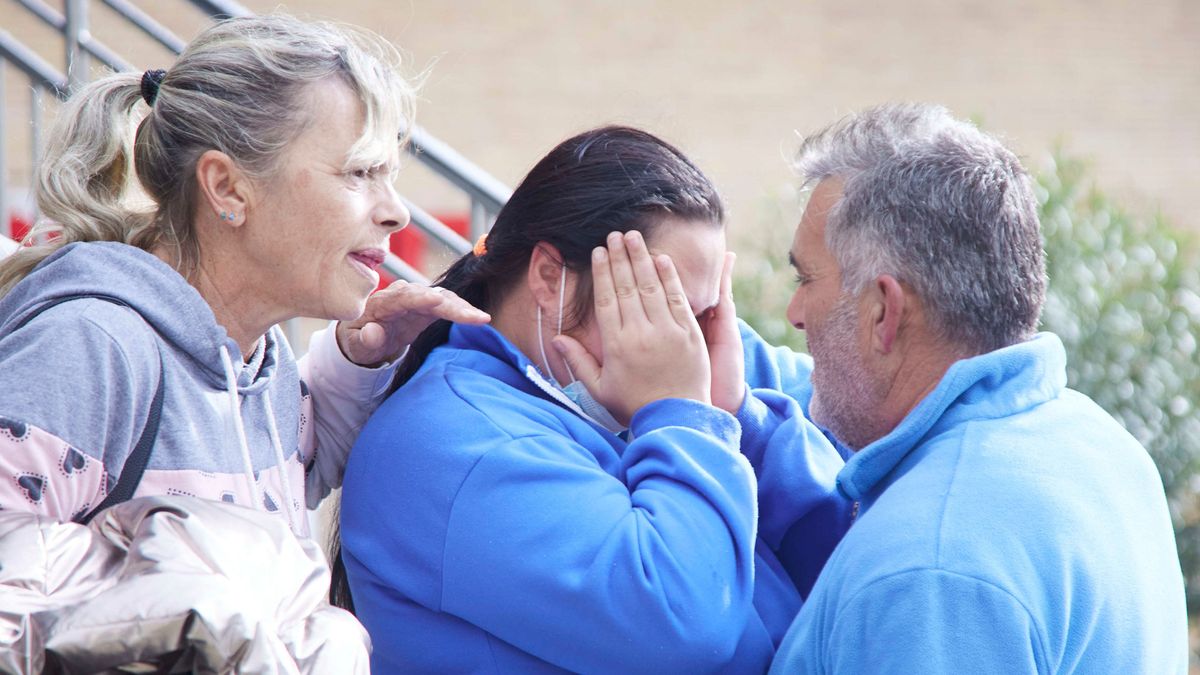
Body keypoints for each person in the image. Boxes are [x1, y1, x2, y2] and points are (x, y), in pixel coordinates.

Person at [0, 14, 486, 668]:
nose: (395, 209)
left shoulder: (256, 358)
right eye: (359, 173)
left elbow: (274, 472)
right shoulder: (90, 344)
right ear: (227, 187)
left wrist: (358, 357)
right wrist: (200, 604)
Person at [339, 126, 851, 674]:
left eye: (700, 315)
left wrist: (740, 416)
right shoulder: (447, 445)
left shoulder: (688, 369)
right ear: (548, 276)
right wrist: (686, 418)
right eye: (657, 308)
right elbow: (683, 625)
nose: (689, 348)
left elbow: (853, 530)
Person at [763, 103, 1189, 673]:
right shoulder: (1093, 441)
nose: (795, 313)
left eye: (805, 279)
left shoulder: (928, 572)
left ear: (883, 312)